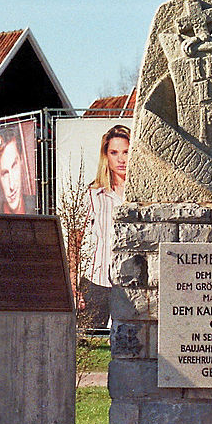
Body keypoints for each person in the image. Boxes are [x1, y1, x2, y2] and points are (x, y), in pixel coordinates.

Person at [79, 124, 130, 329]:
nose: (121, 159)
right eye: (114, 152)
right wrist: (73, 284)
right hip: (96, 282)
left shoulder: (142, 197)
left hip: (131, 282)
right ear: (106, 157)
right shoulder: (93, 195)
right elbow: (75, 238)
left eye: (126, 152)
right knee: (90, 346)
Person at [0, 124, 35, 214]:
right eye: (5, 173)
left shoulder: (38, 205)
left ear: (22, 161)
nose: (11, 186)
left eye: (14, 166)